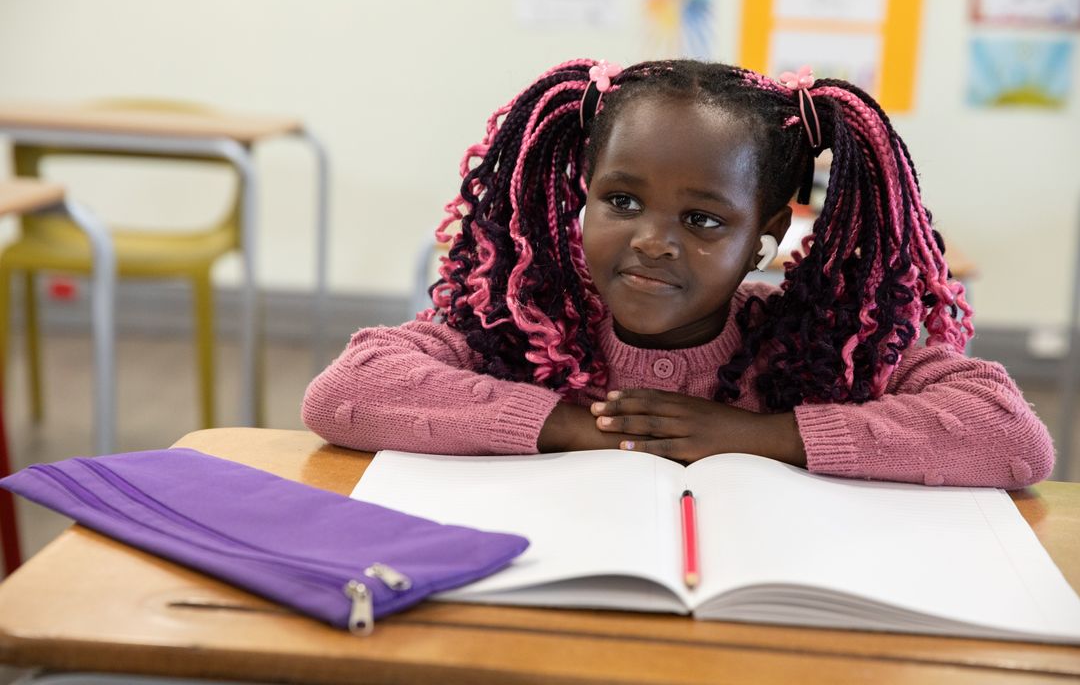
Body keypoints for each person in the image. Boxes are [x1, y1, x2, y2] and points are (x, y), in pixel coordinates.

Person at [303, 58, 1054, 488]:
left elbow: (1011, 438)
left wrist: (765, 436)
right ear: (580, 196)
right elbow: (346, 392)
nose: (654, 241)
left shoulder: (811, 349)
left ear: (762, 237)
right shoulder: (527, 330)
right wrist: (566, 425)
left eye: (702, 220)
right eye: (622, 200)